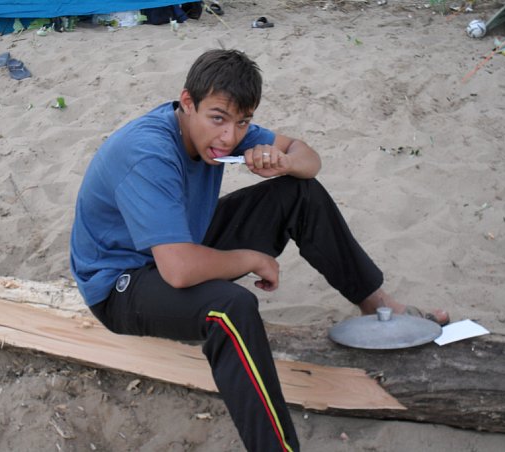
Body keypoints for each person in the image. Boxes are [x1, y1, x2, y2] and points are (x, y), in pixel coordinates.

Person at [70, 49, 449, 452]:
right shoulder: (149, 151)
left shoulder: (227, 126)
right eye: (218, 119)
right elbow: (178, 270)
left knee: (300, 192)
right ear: (187, 102)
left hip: (180, 244)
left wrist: (283, 162)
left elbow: (309, 159)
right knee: (231, 308)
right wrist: (251, 259)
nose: (229, 138)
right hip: (122, 284)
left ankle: (377, 305)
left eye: (242, 122)